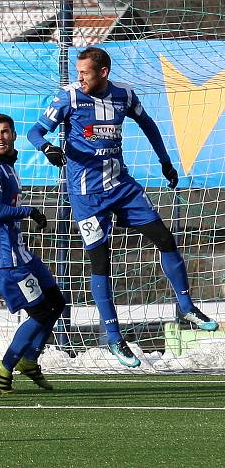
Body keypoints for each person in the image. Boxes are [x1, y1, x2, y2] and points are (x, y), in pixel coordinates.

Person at [27, 46, 218, 368]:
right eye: (78, 72)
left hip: (121, 186)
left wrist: (166, 162)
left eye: (85, 72)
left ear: (103, 72)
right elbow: (34, 131)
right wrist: (46, 147)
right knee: (101, 262)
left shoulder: (124, 96)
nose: (80, 78)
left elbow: (150, 125)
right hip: (87, 196)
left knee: (165, 239)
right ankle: (114, 337)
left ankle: (186, 305)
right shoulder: (69, 98)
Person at [0, 114, 66, 394]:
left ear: (13, 135)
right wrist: (30, 211)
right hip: (5, 260)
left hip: (21, 253)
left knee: (57, 303)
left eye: (4, 132)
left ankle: (30, 359)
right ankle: (5, 365)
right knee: (39, 313)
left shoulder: (8, 167)